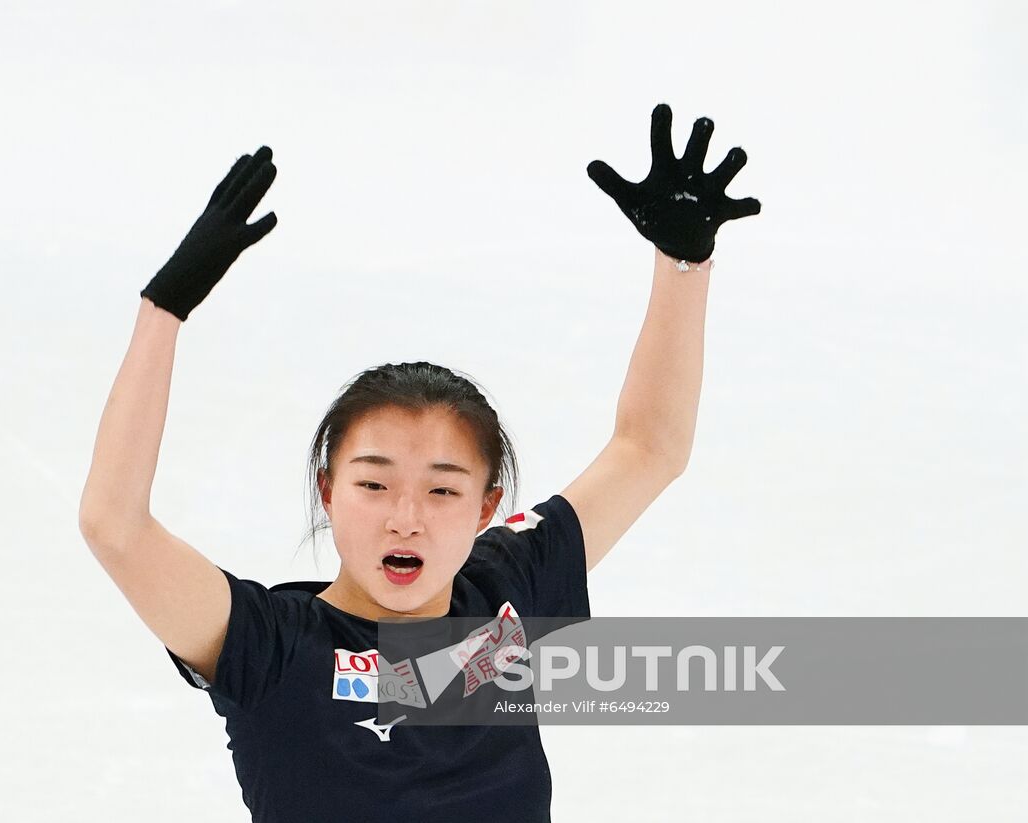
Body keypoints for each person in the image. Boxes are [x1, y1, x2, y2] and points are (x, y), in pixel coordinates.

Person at [77, 104, 761, 822]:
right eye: (374, 483)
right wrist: (165, 309)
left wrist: (685, 261)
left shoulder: (507, 586)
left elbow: (650, 446)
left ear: (487, 507)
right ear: (328, 490)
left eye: (441, 489)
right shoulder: (272, 647)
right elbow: (113, 525)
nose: (406, 518)